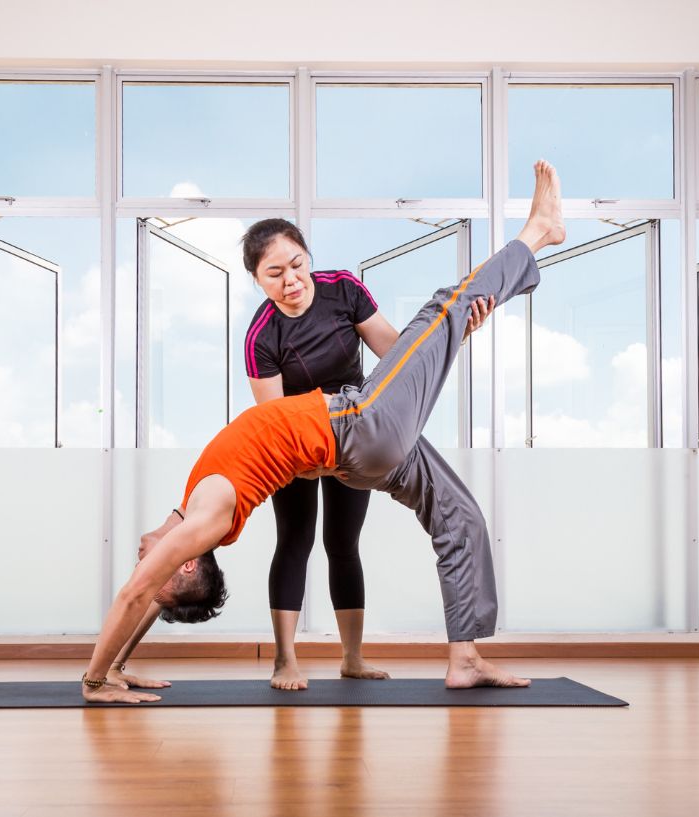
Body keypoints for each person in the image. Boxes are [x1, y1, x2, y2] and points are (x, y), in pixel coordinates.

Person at [82, 160, 565, 704]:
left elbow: (150, 592)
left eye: (296, 264)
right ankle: (538, 234)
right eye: (274, 273)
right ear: (186, 559)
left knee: (461, 516)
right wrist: (95, 682)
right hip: (354, 426)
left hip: (367, 438)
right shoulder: (207, 517)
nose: (142, 556)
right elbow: (140, 589)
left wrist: (118, 667)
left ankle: (466, 658)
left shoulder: (188, 514)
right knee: (443, 307)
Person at [241, 218, 494, 690]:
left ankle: (352, 657)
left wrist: (453, 338)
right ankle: (284, 660)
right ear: (257, 278)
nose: (290, 279)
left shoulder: (343, 290)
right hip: (298, 442)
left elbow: (398, 356)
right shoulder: (261, 336)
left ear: (308, 257)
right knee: (294, 541)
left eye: (296, 264)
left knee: (343, 544)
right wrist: (312, 459)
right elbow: (274, 420)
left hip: (355, 433)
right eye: (274, 273)